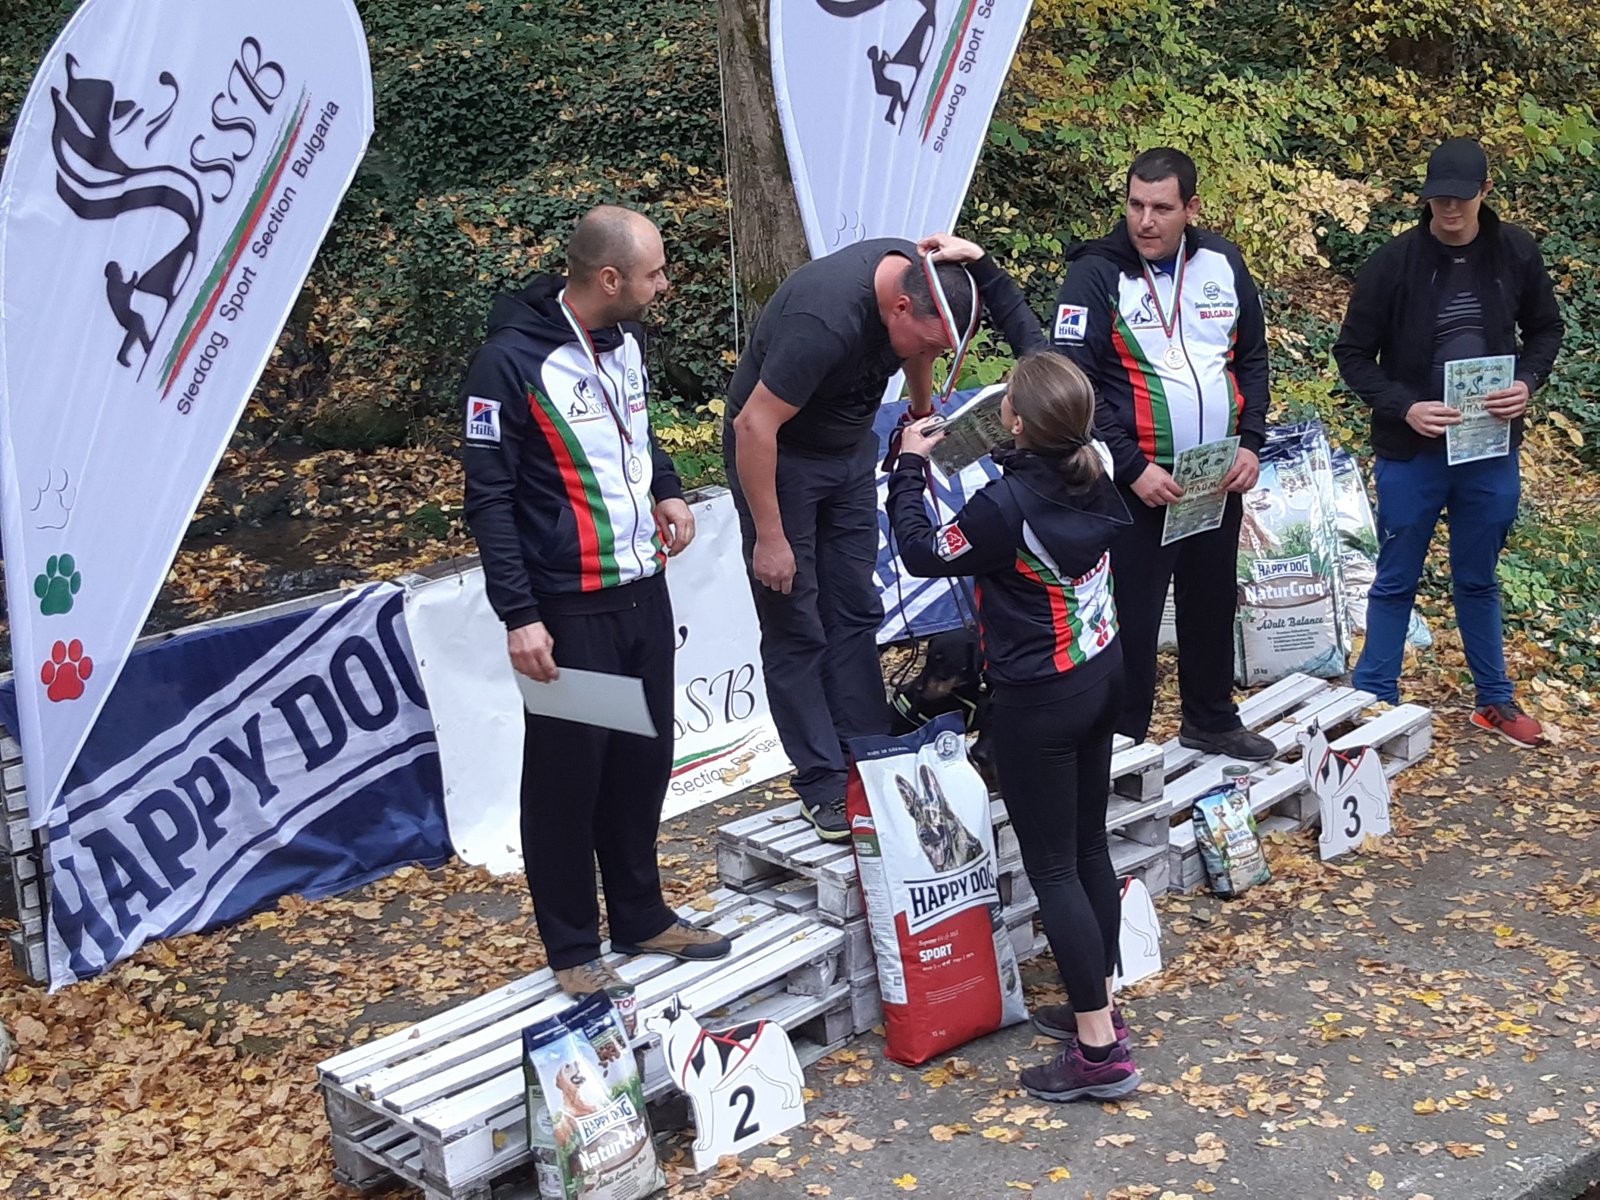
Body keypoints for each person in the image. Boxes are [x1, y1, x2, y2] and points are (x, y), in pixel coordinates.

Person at [462, 204, 731, 997]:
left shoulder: (625, 342)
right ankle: (574, 947)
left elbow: (637, 435)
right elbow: (490, 499)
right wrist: (519, 615)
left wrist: (669, 488)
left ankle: (641, 915)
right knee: (568, 778)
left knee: (640, 763)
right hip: (568, 603)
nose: (665, 284)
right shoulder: (510, 364)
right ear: (609, 278)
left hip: (641, 590)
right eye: (654, 273)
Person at [726, 231, 1044, 840]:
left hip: (848, 453)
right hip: (780, 458)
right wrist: (770, 535)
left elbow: (920, 349)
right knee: (796, 618)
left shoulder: (922, 283)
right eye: (926, 343)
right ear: (899, 308)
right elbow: (752, 425)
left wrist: (920, 412)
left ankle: (869, 753)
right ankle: (821, 782)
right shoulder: (823, 319)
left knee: (854, 606)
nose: (927, 353)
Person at [887, 351, 1140, 1102]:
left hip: (1042, 699)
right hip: (1103, 671)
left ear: (1018, 423)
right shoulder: (1095, 461)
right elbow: (1040, 451)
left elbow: (922, 552)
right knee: (1089, 847)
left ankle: (1098, 1051)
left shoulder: (1003, 508)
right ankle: (1103, 1008)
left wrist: (909, 467)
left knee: (1053, 868)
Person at [1333, 137, 1563, 747]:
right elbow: (1351, 353)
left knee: (1479, 577)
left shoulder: (1516, 253)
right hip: (1412, 452)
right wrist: (1404, 406)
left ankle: (1494, 701)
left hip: (1489, 449)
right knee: (1395, 577)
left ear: (1486, 191)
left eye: (1461, 197)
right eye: (1438, 198)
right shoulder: (1393, 263)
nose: (1450, 209)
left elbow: (1546, 329)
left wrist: (1527, 382)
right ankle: (1373, 702)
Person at [1052, 148, 1274, 759]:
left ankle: (1211, 718)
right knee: (1132, 618)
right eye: (1135, 205)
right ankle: (1121, 744)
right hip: (1135, 484)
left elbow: (1251, 358)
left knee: (1211, 600)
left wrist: (1251, 442)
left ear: (1191, 208)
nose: (1145, 221)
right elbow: (1073, 382)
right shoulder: (1096, 273)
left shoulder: (1223, 262)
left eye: (1161, 208)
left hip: (1214, 475)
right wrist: (1130, 466)